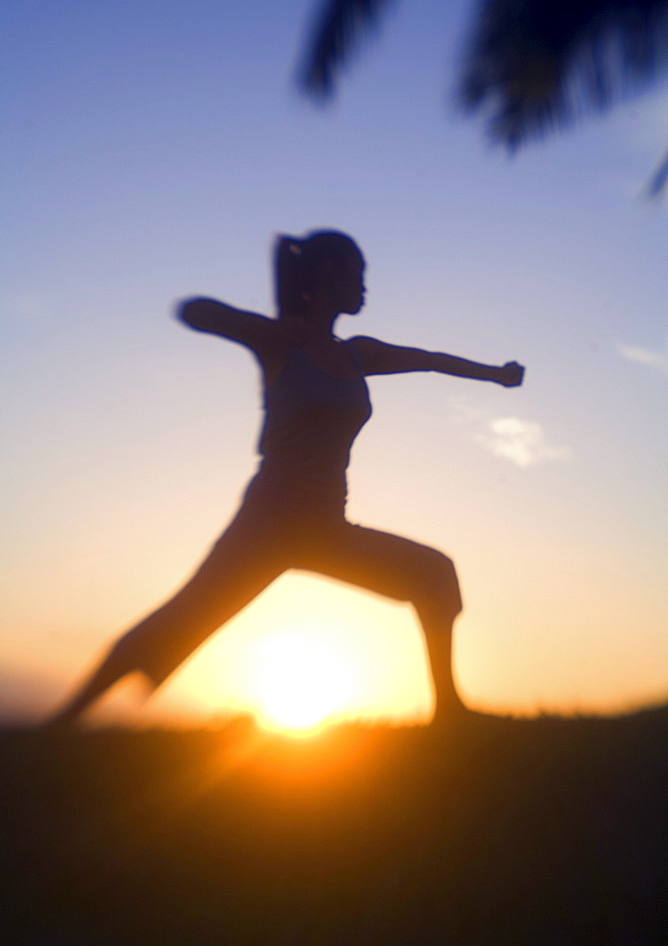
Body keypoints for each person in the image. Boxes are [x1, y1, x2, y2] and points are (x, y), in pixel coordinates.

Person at [51, 230, 524, 726]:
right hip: (267, 523)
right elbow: (192, 310)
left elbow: (430, 361)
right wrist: (260, 327)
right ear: (326, 276)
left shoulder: (359, 354)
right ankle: (63, 723)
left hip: (324, 527)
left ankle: (450, 711)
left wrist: (495, 374)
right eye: (356, 274)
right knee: (179, 619)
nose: (365, 286)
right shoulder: (278, 343)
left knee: (434, 574)